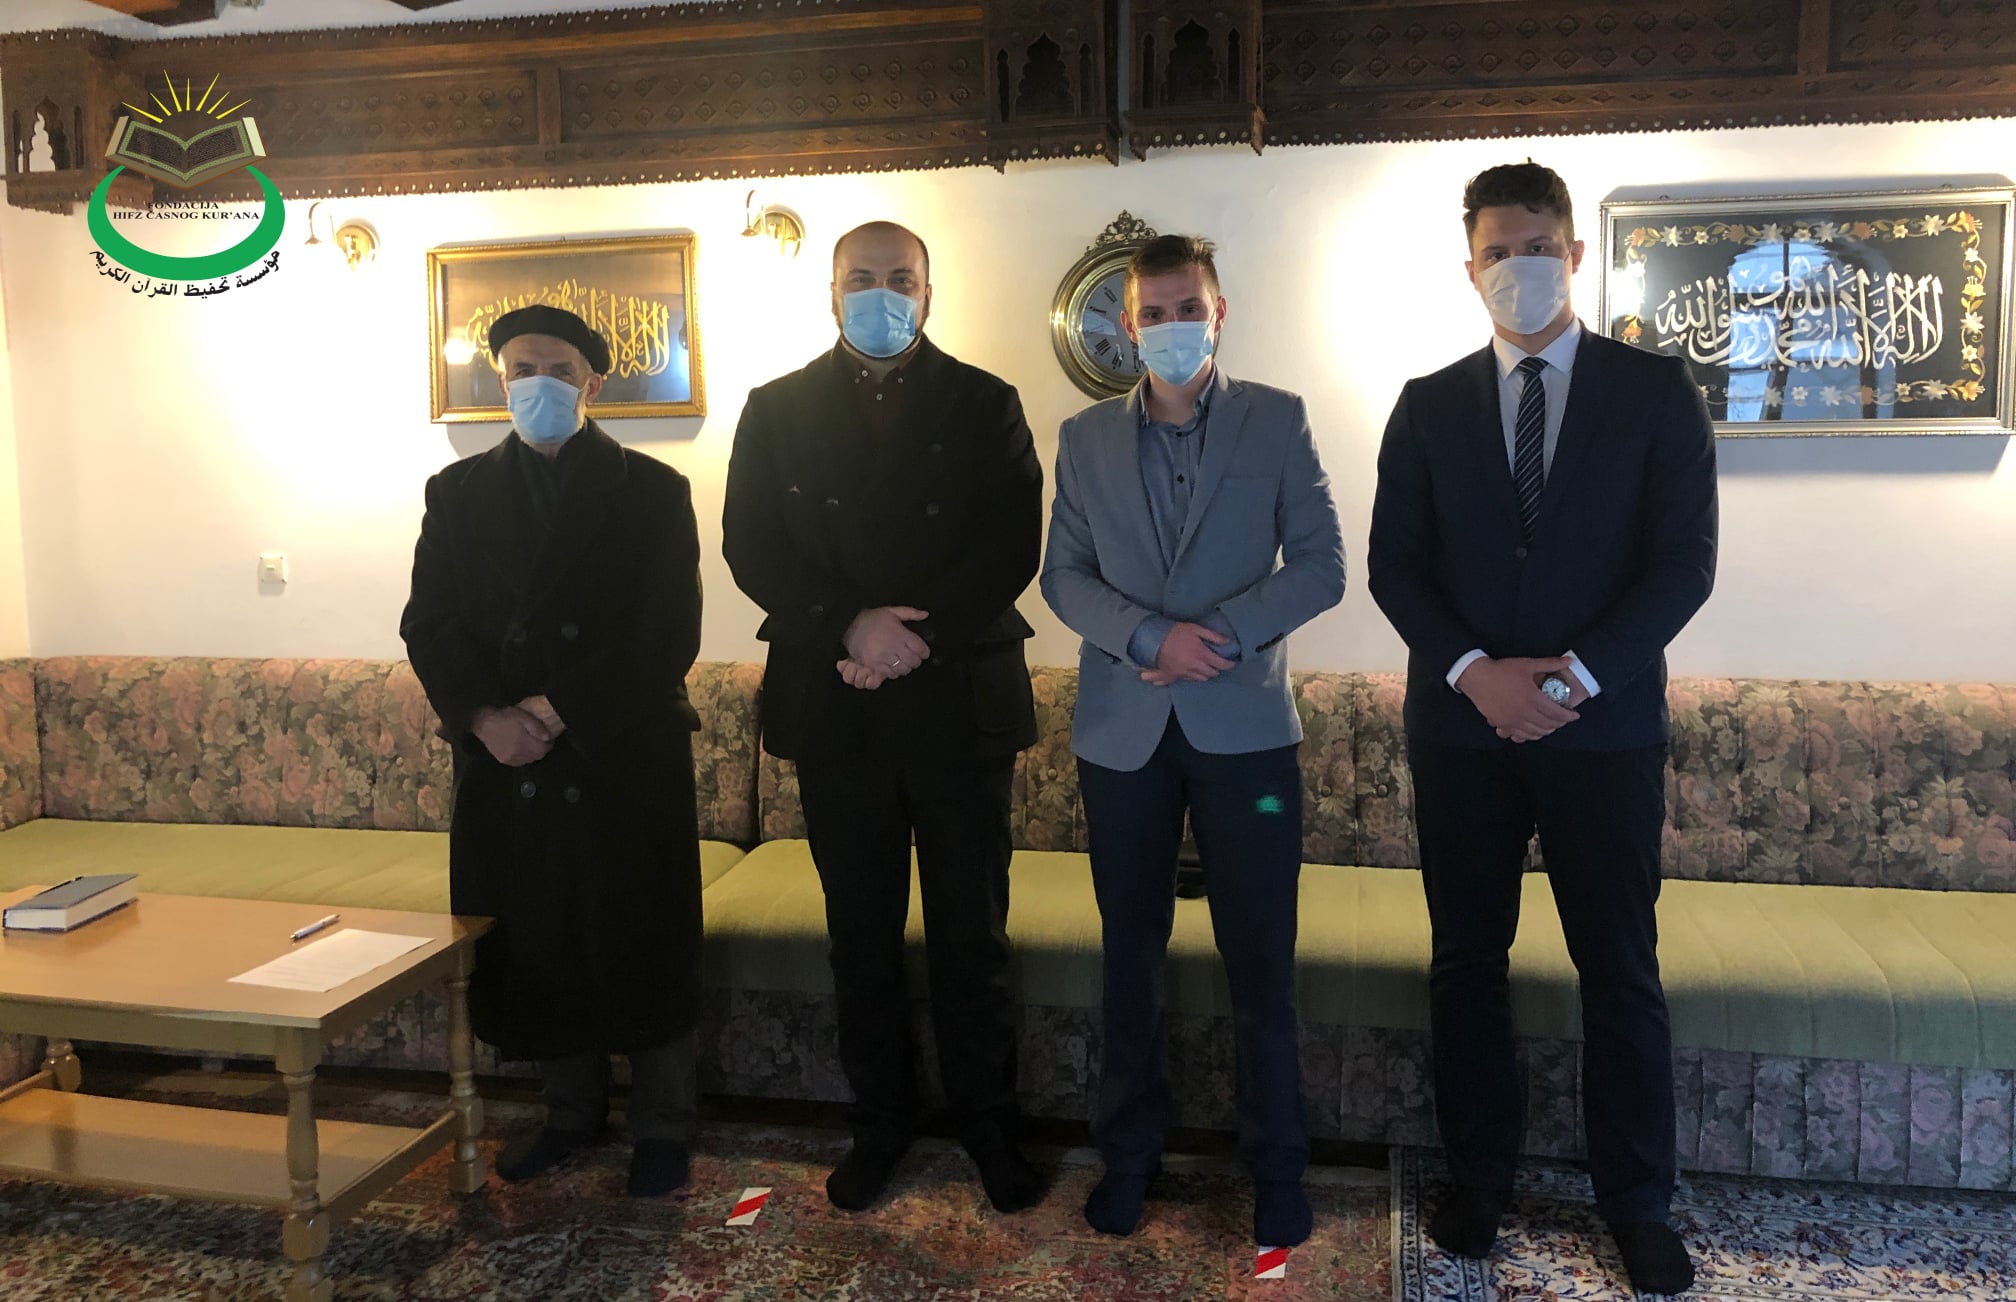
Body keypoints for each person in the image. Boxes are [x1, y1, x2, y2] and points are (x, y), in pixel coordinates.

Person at [1366, 161, 1718, 1295]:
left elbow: (1683, 566)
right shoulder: (1427, 404)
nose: (1516, 267)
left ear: (1571, 255)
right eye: (1495, 252)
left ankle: (1637, 1202)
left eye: (1535, 247)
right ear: (1468, 269)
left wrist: (1572, 682)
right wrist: (1478, 677)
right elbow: (1395, 567)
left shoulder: (1655, 391)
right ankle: (1479, 1181)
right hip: (1462, 732)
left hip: (1603, 735)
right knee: (1467, 963)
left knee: (1619, 970)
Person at [722, 220, 1046, 1213]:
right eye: (860, 278)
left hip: (958, 698)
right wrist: (849, 625)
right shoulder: (774, 408)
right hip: (836, 702)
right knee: (858, 937)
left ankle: (988, 1126)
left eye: (900, 278)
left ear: (928, 293)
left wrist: (914, 637)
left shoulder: (986, 400)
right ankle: (881, 1126)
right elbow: (750, 545)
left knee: (971, 936)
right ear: (830, 293)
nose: (881, 293)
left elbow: (1010, 543)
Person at [1040, 234, 1346, 1247]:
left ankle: (1278, 1169)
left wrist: (1210, 638)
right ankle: (1129, 1158)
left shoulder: (1277, 418)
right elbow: (1063, 575)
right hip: (1122, 732)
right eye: (1153, 312)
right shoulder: (1083, 436)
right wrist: (1146, 638)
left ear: (1218, 315)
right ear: (1130, 325)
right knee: (1128, 958)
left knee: (1261, 959)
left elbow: (1321, 565)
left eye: (1188, 308)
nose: (1171, 325)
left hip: (1244, 731)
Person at [400, 304, 705, 1198]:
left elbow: (668, 631)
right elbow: (430, 625)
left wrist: (558, 706)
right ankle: (570, 1115)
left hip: (621, 751)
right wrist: (484, 718)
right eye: (523, 369)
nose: (542, 384)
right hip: (508, 760)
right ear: (501, 382)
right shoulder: (456, 493)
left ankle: (665, 1126)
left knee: (642, 939)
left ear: (592, 384)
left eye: (561, 370)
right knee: (540, 940)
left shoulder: (653, 490)